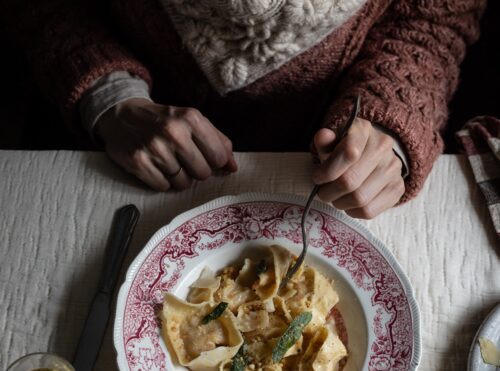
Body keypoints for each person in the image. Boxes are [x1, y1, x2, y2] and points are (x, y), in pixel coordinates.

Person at [4, 0, 485, 218]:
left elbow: (433, 17)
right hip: (121, 152)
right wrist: (109, 94)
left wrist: (391, 121)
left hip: (328, 162)